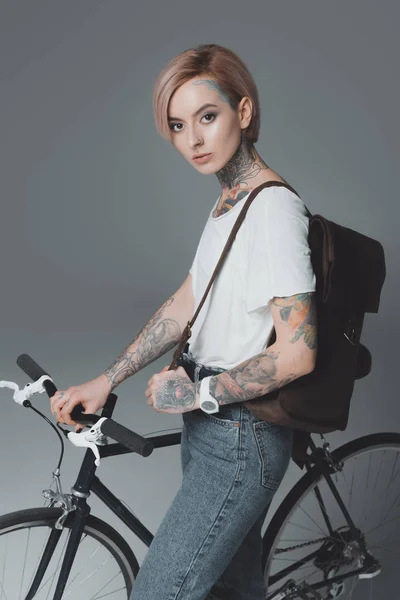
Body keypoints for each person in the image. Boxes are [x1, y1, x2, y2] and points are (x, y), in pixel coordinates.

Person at [50, 43, 317, 600]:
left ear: (243, 113)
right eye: (177, 124)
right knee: (231, 587)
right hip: (212, 426)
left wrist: (198, 393)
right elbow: (185, 305)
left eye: (207, 117)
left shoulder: (272, 210)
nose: (192, 140)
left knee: (161, 591)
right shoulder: (229, 204)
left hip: (243, 435)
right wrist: (107, 380)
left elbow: (298, 351)